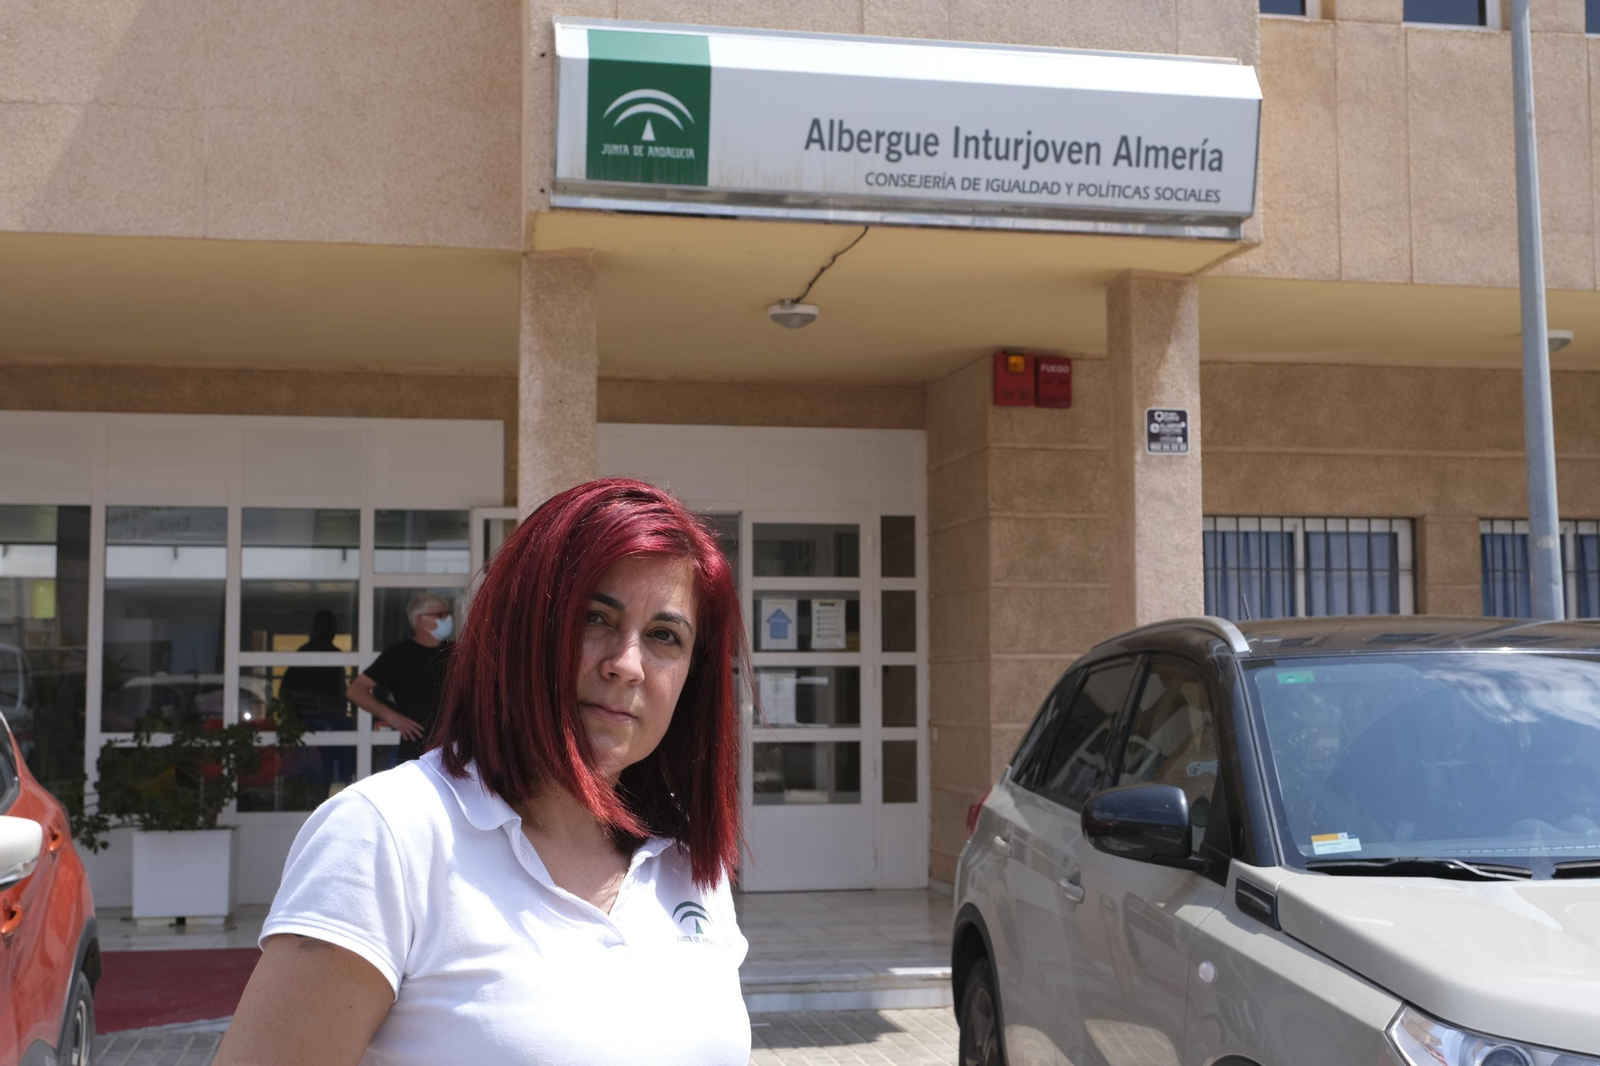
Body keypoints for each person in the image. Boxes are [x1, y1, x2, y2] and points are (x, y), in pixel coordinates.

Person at [215, 479, 751, 1065]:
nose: (627, 665)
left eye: (665, 636)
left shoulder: (685, 861)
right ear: (518, 629)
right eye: (595, 617)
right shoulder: (385, 836)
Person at [344, 594, 453, 762]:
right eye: (440, 615)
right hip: (418, 750)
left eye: (447, 614)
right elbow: (356, 690)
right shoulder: (399, 654)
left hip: (458, 747)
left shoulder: (458, 652)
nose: (447, 619)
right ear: (420, 620)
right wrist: (392, 717)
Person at [278, 610, 348, 731]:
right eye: (325, 626)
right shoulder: (309, 652)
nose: (329, 630)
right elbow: (287, 686)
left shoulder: (308, 651)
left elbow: (341, 688)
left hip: (325, 716)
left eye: (331, 626)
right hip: (312, 715)